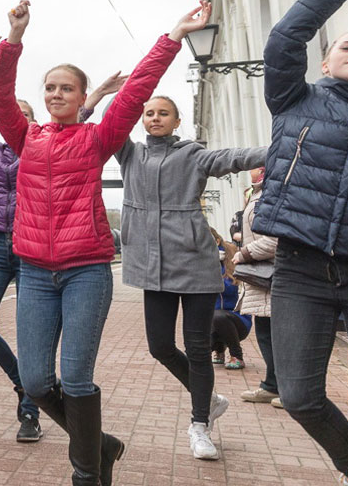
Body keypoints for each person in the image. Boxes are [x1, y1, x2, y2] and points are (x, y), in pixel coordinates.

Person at [0, 0, 211, 486]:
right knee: (35, 382)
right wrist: (14, 39)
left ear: (83, 95)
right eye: (49, 87)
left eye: (66, 88)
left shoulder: (97, 138)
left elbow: (134, 94)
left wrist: (171, 37)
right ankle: (101, 444)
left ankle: (87, 473)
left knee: (76, 380)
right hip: (34, 273)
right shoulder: (26, 138)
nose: (55, 94)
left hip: (86, 272)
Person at [251, 0, 348, 486]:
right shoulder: (294, 99)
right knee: (298, 395)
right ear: (327, 62)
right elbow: (285, 39)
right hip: (301, 270)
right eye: (346, 46)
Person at [0, 74, 124, 443]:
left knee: (42, 347)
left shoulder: (43, 144)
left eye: (25, 113)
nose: (16, 117)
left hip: (34, 250)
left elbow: (75, 123)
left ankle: (30, 411)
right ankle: (26, 386)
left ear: (34, 123)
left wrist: (94, 96)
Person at [116, 95, 265, 460]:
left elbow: (232, 157)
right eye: (148, 112)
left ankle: (200, 425)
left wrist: (282, 147)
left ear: (176, 120)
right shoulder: (129, 154)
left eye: (163, 113)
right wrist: (115, 95)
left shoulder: (192, 154)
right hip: (155, 267)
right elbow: (110, 122)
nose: (155, 118)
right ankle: (209, 398)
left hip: (195, 263)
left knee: (198, 348)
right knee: (160, 346)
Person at [234, 168, 282, 409]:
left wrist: (245, 253)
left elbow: (275, 239)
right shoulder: (257, 194)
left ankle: (288, 390)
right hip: (262, 276)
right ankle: (271, 385)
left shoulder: (271, 193)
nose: (247, 168)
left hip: (272, 274)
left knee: (278, 336)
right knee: (265, 333)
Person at [211, 266, 251, 369]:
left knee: (218, 317)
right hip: (212, 321)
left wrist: (212, 276)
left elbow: (230, 289)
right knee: (198, 350)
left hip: (238, 320)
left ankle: (237, 355)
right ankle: (219, 349)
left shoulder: (235, 266)